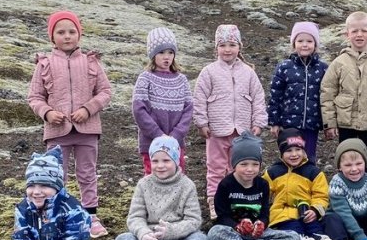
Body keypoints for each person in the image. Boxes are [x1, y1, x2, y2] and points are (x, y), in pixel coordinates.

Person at [27, 10, 112, 238]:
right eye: (61, 32)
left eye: (72, 31)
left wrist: (88, 109)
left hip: (88, 130)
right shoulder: (44, 64)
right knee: (55, 175)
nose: (67, 36)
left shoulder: (90, 62)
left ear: (79, 34)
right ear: (52, 36)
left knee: (87, 173)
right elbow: (34, 97)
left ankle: (90, 216)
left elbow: (105, 92)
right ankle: (56, 215)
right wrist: (47, 113)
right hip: (56, 132)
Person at [112, 136, 208, 240]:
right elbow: (135, 217)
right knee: (123, 239)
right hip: (150, 238)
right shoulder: (143, 184)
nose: (160, 165)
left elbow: (194, 220)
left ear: (176, 160)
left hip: (178, 236)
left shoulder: (188, 186)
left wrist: (171, 231)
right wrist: (143, 234)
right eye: (155, 160)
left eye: (166, 160)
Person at [192, 24, 268, 220]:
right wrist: (202, 123)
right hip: (216, 130)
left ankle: (238, 199)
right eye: (223, 45)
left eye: (232, 45)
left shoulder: (248, 72)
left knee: (239, 167)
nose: (227, 49)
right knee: (215, 167)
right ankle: (214, 201)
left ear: (239, 47)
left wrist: (258, 122)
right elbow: (199, 98)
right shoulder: (208, 72)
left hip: (242, 132)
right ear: (216, 48)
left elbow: (258, 97)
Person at [207, 132, 301, 240]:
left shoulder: (262, 184)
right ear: (234, 165)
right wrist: (236, 226)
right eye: (243, 164)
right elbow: (222, 216)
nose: (249, 169)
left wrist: (261, 224)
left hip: (256, 235)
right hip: (233, 233)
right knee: (214, 234)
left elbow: (264, 213)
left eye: (255, 164)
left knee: (293, 239)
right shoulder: (226, 184)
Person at [320, 11, 367, 175]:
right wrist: (329, 122)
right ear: (347, 34)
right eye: (354, 31)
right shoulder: (339, 63)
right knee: (345, 158)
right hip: (345, 123)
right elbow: (327, 92)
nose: (359, 35)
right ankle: (345, 194)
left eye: (364, 31)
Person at [263, 128, 338, 240]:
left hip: (307, 211)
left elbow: (321, 195)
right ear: (281, 153)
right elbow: (262, 192)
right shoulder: (273, 172)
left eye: (298, 150)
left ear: (304, 150)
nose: (294, 154)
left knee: (314, 226)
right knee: (294, 231)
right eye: (288, 151)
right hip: (284, 214)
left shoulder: (313, 172)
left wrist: (315, 210)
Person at [132, 27, 194, 175]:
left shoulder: (182, 80)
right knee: (153, 179)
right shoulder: (145, 78)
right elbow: (139, 110)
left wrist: (176, 136)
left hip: (176, 144)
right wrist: (158, 135)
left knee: (177, 178)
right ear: (152, 54)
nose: (166, 57)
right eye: (161, 52)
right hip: (151, 143)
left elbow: (188, 110)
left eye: (170, 52)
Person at [268, 21, 328, 162]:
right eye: (300, 40)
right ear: (294, 43)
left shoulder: (323, 68)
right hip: (289, 124)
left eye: (309, 41)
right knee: (291, 156)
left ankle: (308, 183)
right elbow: (275, 96)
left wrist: (327, 124)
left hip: (312, 124)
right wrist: (274, 122)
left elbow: (327, 97)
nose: (305, 44)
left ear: (316, 44)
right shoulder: (284, 67)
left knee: (309, 158)